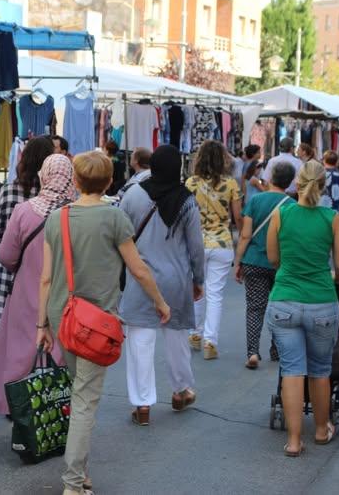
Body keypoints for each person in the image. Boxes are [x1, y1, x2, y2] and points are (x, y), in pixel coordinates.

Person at [35, 150, 170, 495]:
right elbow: (137, 269)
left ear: (76, 181)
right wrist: (159, 301)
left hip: (62, 316)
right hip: (97, 323)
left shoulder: (57, 218)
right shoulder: (114, 218)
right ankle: (73, 482)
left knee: (79, 391)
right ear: (110, 182)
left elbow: (46, 279)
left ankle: (81, 473)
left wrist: (42, 325)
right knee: (84, 400)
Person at [0, 154, 75, 414]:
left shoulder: (25, 210)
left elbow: (6, 255)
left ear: (45, 175)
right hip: (67, 294)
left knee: (22, 351)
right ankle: (58, 409)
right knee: (61, 354)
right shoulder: (76, 213)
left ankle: (21, 409)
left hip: (26, 291)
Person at [266, 161, 339, 457]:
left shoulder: (281, 214)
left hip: (284, 300)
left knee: (291, 370)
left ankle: (294, 440)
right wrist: (333, 278)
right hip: (322, 303)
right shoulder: (331, 218)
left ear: (296, 185)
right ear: (324, 186)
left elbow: (273, 258)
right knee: (320, 370)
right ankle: (322, 429)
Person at [119, 145, 204, 426]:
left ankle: (142, 405)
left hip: (140, 277)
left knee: (140, 342)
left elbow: (121, 235)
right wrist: (198, 279)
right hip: (176, 278)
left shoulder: (133, 195)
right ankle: (181, 391)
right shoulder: (187, 201)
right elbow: (195, 246)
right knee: (177, 336)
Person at [0, 136, 54, 334]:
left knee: (11, 339)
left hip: (12, 273)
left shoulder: (8, 192)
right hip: (48, 271)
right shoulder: (58, 197)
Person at [234, 161, 296, 370]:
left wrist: (238, 262)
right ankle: (276, 349)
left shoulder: (256, 200)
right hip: (280, 263)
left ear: (270, 178)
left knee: (254, 307)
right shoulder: (292, 205)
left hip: (254, 260)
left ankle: (252, 352)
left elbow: (245, 235)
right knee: (280, 306)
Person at [185, 140, 242, 360]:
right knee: (215, 294)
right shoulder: (231, 184)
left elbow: (186, 215)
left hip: (196, 243)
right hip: (221, 243)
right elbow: (237, 217)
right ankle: (211, 341)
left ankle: (195, 334)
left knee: (196, 290)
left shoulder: (191, 183)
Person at [321, 150, 339, 215]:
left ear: (324, 160)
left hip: (320, 209)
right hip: (335, 211)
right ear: (336, 162)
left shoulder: (320, 173)